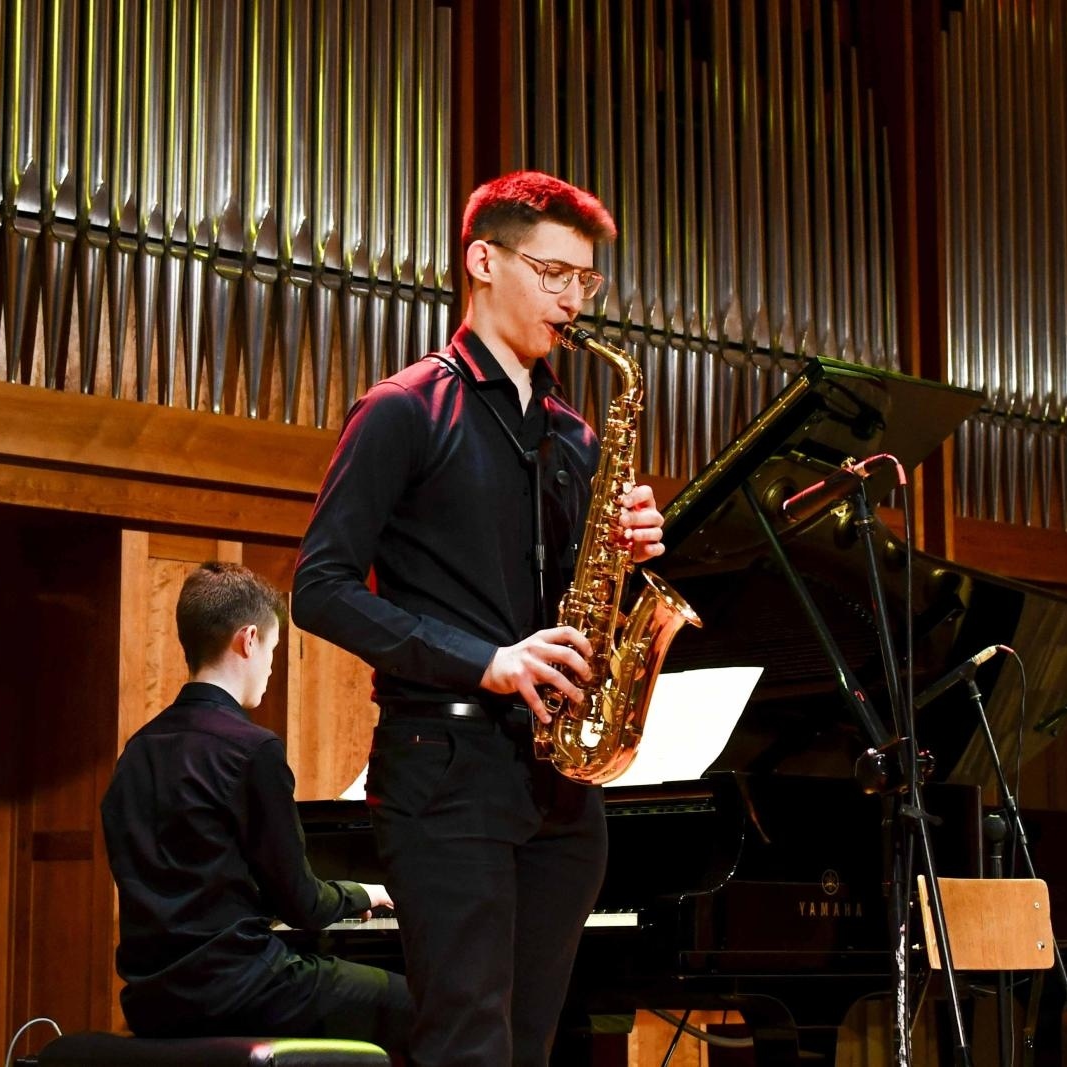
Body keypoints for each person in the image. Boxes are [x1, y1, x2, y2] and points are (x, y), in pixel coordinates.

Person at [292, 171, 665, 1066]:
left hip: (560, 788)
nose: (572, 300)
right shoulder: (404, 409)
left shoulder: (576, 438)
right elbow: (320, 586)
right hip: (446, 770)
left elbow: (584, 601)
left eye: (585, 281)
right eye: (553, 274)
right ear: (483, 260)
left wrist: (632, 549)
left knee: (530, 1045)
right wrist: (485, 660)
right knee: (467, 1044)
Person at [101, 561, 411, 1052]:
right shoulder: (252, 749)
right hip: (240, 989)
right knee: (421, 1005)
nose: (269, 666)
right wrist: (363, 893)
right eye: (272, 649)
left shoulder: (137, 750)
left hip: (151, 998)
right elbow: (303, 905)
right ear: (248, 640)